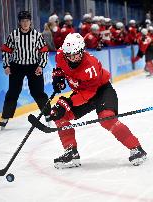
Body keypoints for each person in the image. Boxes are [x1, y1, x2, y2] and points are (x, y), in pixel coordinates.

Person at [49, 33, 147, 169]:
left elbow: (88, 94)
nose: (72, 59)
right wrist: (58, 76)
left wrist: (66, 104)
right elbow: (60, 66)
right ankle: (71, 152)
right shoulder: (61, 54)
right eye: (69, 56)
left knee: (107, 118)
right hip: (82, 92)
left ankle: (136, 148)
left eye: (75, 55)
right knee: (60, 116)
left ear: (82, 51)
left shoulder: (90, 66)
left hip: (101, 91)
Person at [0, 11, 50, 129]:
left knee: (38, 92)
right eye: (23, 21)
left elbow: (44, 51)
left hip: (33, 66)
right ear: (19, 22)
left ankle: (48, 114)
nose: (25, 23)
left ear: (30, 21)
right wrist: (6, 65)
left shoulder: (37, 35)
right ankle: (5, 117)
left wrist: (41, 66)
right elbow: (6, 50)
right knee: (13, 92)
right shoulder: (14, 35)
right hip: (17, 66)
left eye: (27, 20)